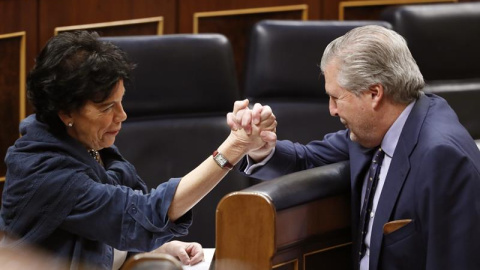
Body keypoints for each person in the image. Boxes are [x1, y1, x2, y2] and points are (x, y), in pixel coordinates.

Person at [0, 31, 276, 270]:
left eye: (120, 102)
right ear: (65, 112)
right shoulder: (43, 171)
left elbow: (100, 230)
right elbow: (141, 213)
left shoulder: (86, 143)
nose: (122, 115)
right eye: (107, 107)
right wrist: (234, 148)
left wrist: (152, 250)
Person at [228, 25, 480, 270]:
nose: (332, 109)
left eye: (337, 97)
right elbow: (306, 159)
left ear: (374, 94)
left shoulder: (442, 158)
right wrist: (260, 147)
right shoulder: (377, 128)